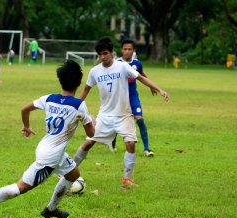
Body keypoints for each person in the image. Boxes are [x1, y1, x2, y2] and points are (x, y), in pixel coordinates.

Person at [0, 60, 95, 218]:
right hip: (50, 157)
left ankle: (51, 209)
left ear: (60, 81)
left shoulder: (49, 99)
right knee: (21, 187)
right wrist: (92, 120)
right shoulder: (79, 105)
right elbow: (91, 133)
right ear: (79, 82)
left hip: (49, 147)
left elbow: (24, 109)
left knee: (73, 173)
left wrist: (26, 125)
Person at [72, 36, 169, 188]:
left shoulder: (122, 67)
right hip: (104, 116)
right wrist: (75, 105)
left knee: (130, 143)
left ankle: (126, 179)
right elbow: (86, 89)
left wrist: (159, 89)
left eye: (105, 53)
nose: (102, 57)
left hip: (124, 115)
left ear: (112, 52)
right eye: (100, 54)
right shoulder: (94, 71)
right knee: (88, 143)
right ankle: (69, 171)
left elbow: (141, 78)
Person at [115, 39, 162, 157]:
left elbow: (141, 75)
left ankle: (147, 149)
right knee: (115, 121)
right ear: (122, 50)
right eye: (125, 49)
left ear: (133, 50)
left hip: (133, 96)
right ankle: (112, 142)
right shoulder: (116, 63)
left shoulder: (137, 63)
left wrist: (152, 87)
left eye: (129, 49)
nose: (127, 51)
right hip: (119, 98)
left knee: (140, 120)